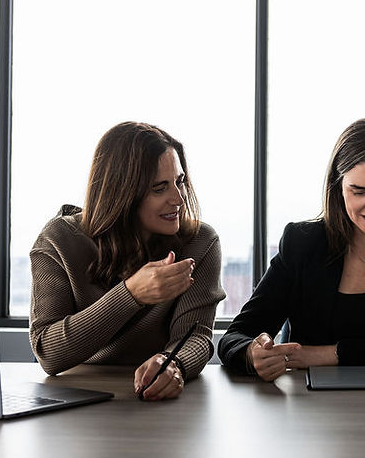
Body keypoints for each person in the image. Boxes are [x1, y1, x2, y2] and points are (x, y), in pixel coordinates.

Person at [218, 116, 365, 380]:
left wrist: (329, 354)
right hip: (313, 407)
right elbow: (235, 337)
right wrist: (253, 353)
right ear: (339, 186)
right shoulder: (302, 242)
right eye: (358, 191)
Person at [29, 121, 225, 400]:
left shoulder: (201, 242)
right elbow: (48, 354)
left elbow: (196, 336)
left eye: (180, 182)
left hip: (156, 400)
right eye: (160, 188)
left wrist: (173, 365)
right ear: (121, 194)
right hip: (78, 397)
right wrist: (131, 294)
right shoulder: (59, 240)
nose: (179, 198)